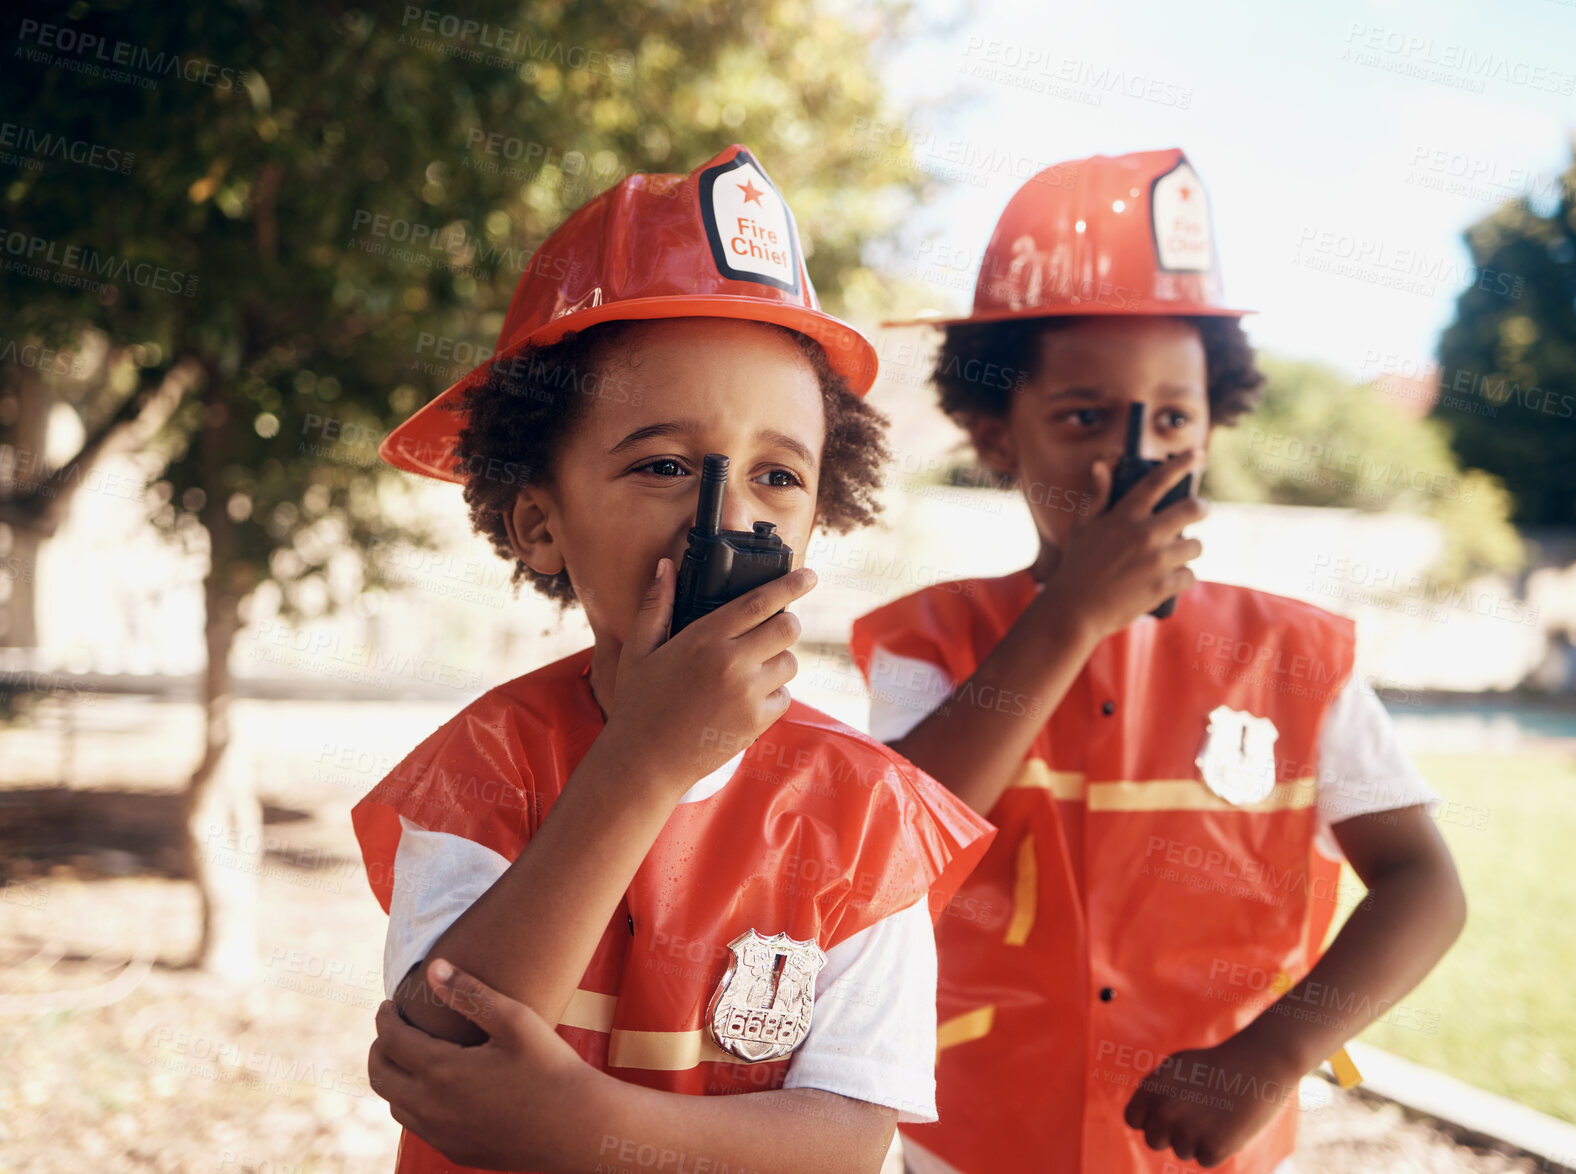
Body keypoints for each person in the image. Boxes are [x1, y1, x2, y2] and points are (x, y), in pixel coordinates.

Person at [351, 143, 994, 1174]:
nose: (724, 517)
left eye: (778, 476)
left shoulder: (867, 812)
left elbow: (846, 1134)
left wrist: (578, 1131)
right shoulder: (482, 771)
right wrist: (644, 760)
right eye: (661, 465)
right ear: (538, 524)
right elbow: (440, 1057)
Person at [848, 149, 1467, 1174]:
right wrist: (1070, 616)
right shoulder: (930, 639)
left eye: (1172, 419)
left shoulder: (1297, 658)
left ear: (1212, 428)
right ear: (996, 436)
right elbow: (894, 855)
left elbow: (1424, 884)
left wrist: (1274, 1054)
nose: (1131, 456)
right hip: (972, 1141)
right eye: (1083, 417)